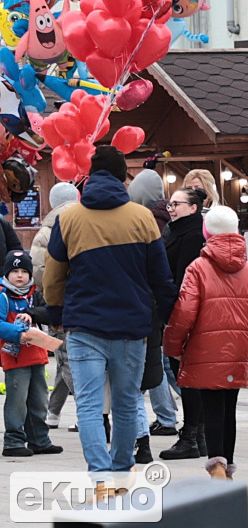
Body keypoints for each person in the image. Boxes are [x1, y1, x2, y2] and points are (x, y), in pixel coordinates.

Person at [44, 145, 178, 489]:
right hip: (132, 326)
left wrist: (57, 313)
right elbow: (160, 277)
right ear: (123, 178)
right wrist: (164, 314)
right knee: (125, 401)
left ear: (89, 176)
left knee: (88, 403)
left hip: (84, 325)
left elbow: (54, 275)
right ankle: (122, 469)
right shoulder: (142, 218)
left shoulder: (69, 218)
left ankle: (99, 474)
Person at [163, 206, 248, 479]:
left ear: (206, 231)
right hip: (238, 347)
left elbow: (184, 311)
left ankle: (217, 467)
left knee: (211, 407)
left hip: (204, 348)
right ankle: (228, 466)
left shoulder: (198, 268)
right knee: (229, 408)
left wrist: (173, 347)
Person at [126, 170, 176, 464]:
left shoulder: (145, 222)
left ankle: (157, 426)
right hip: (160, 306)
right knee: (160, 365)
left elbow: (152, 269)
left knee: (141, 375)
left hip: (144, 308)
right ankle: (172, 417)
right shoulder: (169, 217)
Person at [159, 186, 209, 461]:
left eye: (177, 204)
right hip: (180, 311)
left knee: (187, 375)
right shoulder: (175, 230)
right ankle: (197, 435)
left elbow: (184, 281)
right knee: (185, 374)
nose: (171, 208)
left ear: (193, 208)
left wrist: (172, 312)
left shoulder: (191, 235)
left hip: (185, 313)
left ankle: (191, 435)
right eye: (170, 204)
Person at [1, 250, 62, 457]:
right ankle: (13, 441)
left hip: (37, 355)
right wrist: (17, 333)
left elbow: (48, 312)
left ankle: (39, 439)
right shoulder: (3, 296)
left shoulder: (34, 295)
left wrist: (32, 313)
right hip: (15, 357)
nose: (20, 275)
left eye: (24, 271)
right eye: (15, 271)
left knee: (39, 399)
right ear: (7, 274)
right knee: (17, 401)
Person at [30, 182, 79, 430]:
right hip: (86, 300)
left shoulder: (47, 231)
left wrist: (46, 297)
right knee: (66, 357)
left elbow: (39, 271)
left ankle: (85, 412)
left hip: (59, 302)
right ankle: (53, 412)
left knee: (66, 358)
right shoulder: (86, 222)